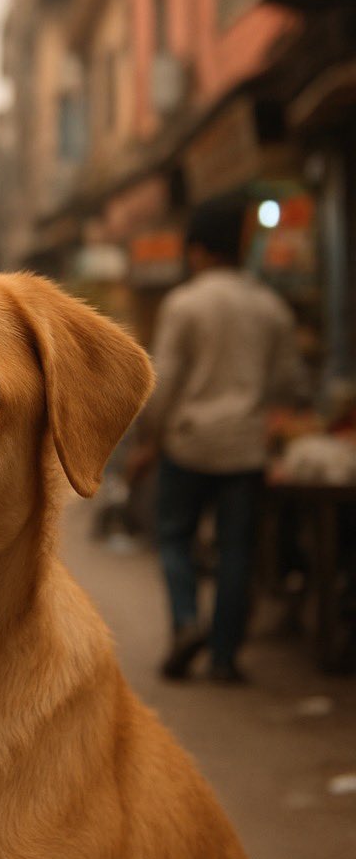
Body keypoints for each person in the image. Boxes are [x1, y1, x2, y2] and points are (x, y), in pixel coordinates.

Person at [134, 193, 302, 683]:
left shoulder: (185, 304)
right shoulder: (271, 307)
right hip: (246, 447)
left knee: (173, 538)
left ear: (198, 251)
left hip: (189, 443)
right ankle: (225, 658)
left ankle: (186, 623)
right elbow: (287, 385)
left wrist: (150, 441)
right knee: (237, 553)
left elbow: (161, 384)